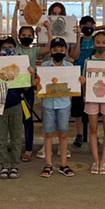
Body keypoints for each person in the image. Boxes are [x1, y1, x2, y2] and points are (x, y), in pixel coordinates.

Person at [11, 0, 52, 162]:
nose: (26, 37)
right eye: (23, 35)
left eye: (29, 35)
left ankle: (28, 149)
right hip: (14, 90)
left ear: (34, 37)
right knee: (15, 121)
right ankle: (16, 147)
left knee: (28, 120)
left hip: (28, 90)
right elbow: (12, 31)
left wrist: (49, 29)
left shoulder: (35, 51)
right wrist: (16, 10)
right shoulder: (15, 48)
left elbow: (50, 47)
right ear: (19, 36)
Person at [0, 37, 32, 179]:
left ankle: (15, 165)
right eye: (4, 48)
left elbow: (27, 87)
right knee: (1, 137)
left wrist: (30, 74)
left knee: (16, 136)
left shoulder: (20, 65)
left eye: (10, 47)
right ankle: (4, 165)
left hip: (16, 104)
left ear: (15, 49)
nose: (7, 50)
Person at [38, 37, 75, 178]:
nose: (58, 52)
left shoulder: (70, 67)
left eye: (61, 49)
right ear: (50, 51)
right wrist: (36, 80)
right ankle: (48, 164)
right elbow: (39, 83)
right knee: (48, 134)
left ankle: (63, 164)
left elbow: (75, 84)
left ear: (65, 51)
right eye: (55, 49)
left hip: (64, 104)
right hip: (48, 104)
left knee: (63, 134)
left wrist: (80, 81)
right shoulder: (44, 66)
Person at [82, 31, 105, 175]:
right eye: (98, 42)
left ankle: (103, 161)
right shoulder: (88, 60)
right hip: (91, 98)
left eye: (103, 42)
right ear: (93, 43)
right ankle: (96, 161)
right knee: (93, 128)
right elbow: (85, 79)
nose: (101, 45)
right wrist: (84, 91)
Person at [70, 15, 96, 149]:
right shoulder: (77, 40)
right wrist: (78, 39)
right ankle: (79, 134)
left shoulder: (96, 39)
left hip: (93, 77)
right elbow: (75, 56)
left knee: (93, 107)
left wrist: (97, 28)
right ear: (80, 27)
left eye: (91, 25)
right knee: (78, 108)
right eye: (86, 25)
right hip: (78, 77)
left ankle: (93, 134)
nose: (89, 28)